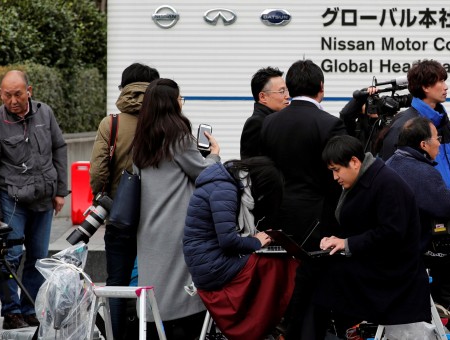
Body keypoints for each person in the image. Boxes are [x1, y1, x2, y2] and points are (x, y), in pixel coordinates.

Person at [260, 59, 346, 338]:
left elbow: (265, 171)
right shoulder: (330, 124)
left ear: (290, 88)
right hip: (318, 219)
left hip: (280, 217)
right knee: (317, 286)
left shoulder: (269, 123)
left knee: (287, 283)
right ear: (321, 87)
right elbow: (337, 180)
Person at [314, 135, 432, 338]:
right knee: (319, 270)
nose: (335, 177)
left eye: (336, 170)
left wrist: (347, 243)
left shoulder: (387, 184)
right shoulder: (367, 178)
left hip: (395, 271)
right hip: (379, 261)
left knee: (325, 277)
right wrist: (337, 241)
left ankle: (340, 331)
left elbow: (391, 233)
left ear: (354, 162)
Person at [0, 70, 68, 330]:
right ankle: (11, 312)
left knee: (39, 258)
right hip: (12, 200)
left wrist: (61, 190)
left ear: (30, 90)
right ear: (0, 94)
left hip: (43, 198)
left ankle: (29, 308)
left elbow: (59, 148)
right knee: (11, 255)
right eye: (7, 95)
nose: (13, 100)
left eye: (18, 94)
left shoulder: (45, 113)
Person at [386, 116, 450, 339]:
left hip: (396, 246)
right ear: (423, 144)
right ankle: (449, 308)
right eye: (437, 138)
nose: (439, 144)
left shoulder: (393, 162)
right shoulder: (420, 171)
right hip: (415, 250)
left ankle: (438, 303)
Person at [132, 78, 220, 339]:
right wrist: (214, 153)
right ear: (171, 103)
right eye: (180, 98)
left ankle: (154, 324)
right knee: (180, 282)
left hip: (148, 225)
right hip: (177, 224)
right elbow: (203, 173)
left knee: (154, 280)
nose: (182, 103)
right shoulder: (179, 137)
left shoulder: (141, 141)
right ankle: (181, 328)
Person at [183, 156, 298, 340]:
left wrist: (256, 239)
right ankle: (267, 324)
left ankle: (267, 322)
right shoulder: (226, 189)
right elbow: (228, 240)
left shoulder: (227, 182)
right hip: (210, 267)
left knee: (276, 261)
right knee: (276, 264)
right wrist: (257, 242)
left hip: (207, 261)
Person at [89, 62, 159, 339]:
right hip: (156, 217)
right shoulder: (162, 122)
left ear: (124, 88)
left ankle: (119, 334)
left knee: (117, 281)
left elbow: (97, 171)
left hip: (119, 216)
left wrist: (104, 197)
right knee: (155, 279)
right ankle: (151, 333)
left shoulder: (112, 123)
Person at [377, 59, 450, 191]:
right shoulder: (405, 126)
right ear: (425, 87)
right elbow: (392, 179)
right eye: (440, 81)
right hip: (426, 209)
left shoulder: (443, 121)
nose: (446, 86)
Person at [240, 67, 290, 159]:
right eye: (282, 91)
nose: (287, 96)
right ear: (263, 97)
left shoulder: (278, 120)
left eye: (287, 90)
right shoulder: (256, 123)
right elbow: (252, 165)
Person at [339, 86, 379, 151]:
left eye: (374, 101)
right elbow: (345, 115)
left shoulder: (385, 125)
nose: (371, 105)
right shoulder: (354, 128)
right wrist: (362, 96)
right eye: (368, 102)